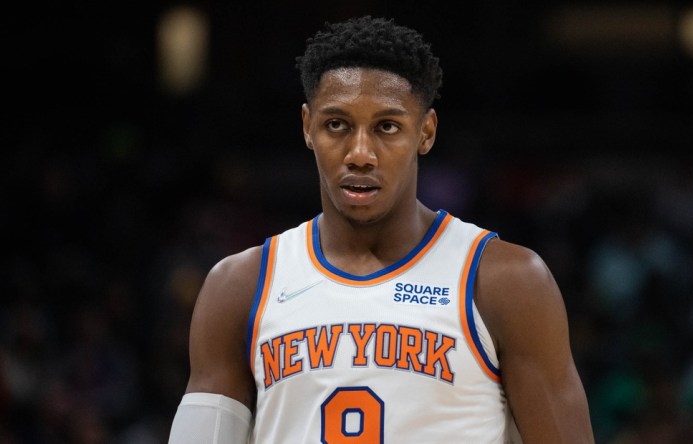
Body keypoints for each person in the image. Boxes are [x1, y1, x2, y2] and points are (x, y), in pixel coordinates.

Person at [169, 15, 594, 443]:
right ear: (307, 127)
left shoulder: (507, 281)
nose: (360, 153)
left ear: (425, 132)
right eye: (337, 124)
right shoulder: (239, 286)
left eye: (386, 127)